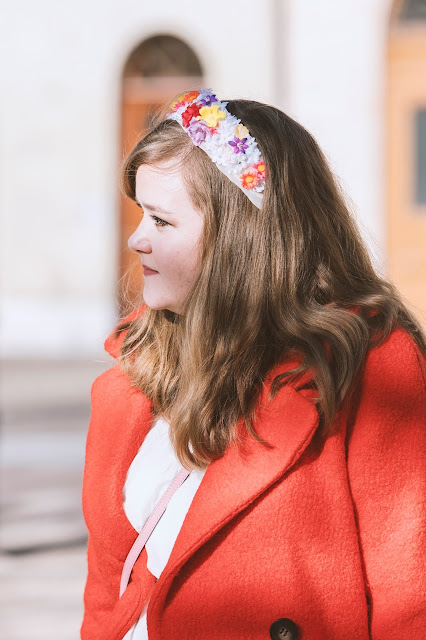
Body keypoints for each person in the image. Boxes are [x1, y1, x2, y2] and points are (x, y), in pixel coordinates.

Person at [80, 89, 426, 640]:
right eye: (140, 214)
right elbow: (107, 596)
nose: (136, 238)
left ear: (239, 234)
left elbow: (410, 601)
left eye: (162, 222)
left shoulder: (369, 367)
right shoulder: (132, 378)